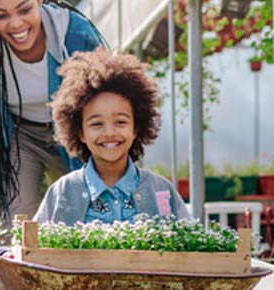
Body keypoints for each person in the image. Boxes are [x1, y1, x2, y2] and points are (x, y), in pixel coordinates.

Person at [0, 0, 106, 246]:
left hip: (75, 136)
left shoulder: (74, 35)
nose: (16, 24)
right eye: (1, 16)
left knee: (90, 224)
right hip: (19, 136)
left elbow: (110, 104)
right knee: (13, 229)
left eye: (24, 10)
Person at [34, 49, 191, 225]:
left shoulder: (161, 191)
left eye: (120, 122)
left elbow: (189, 245)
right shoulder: (63, 191)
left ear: (136, 128)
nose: (109, 133)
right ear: (80, 133)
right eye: (96, 124)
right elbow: (32, 246)